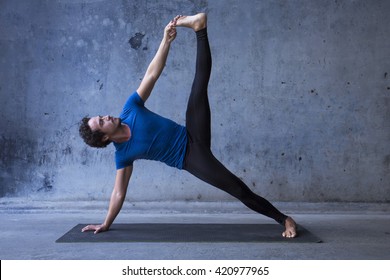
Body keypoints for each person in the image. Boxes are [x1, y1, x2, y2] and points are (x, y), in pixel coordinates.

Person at [79, 13, 297, 238]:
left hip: (193, 132)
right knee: (237, 188)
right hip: (190, 158)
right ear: (104, 138)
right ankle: (285, 219)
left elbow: (152, 74)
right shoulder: (122, 156)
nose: (106, 116)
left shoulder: (130, 109)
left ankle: (199, 28)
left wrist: (166, 40)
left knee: (199, 86)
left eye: (101, 115)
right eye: (101, 122)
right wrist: (105, 223)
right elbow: (118, 193)